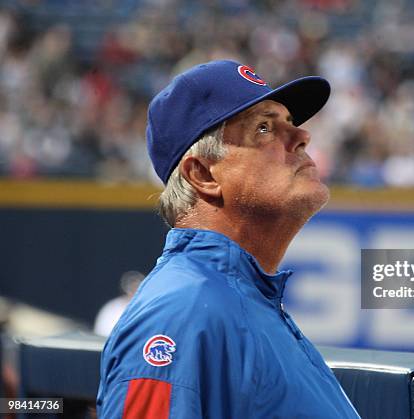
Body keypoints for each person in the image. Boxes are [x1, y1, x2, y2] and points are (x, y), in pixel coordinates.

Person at [96, 60, 360, 418]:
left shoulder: (241, 300)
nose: (302, 136)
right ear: (203, 174)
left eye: (291, 123)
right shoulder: (181, 313)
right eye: (264, 128)